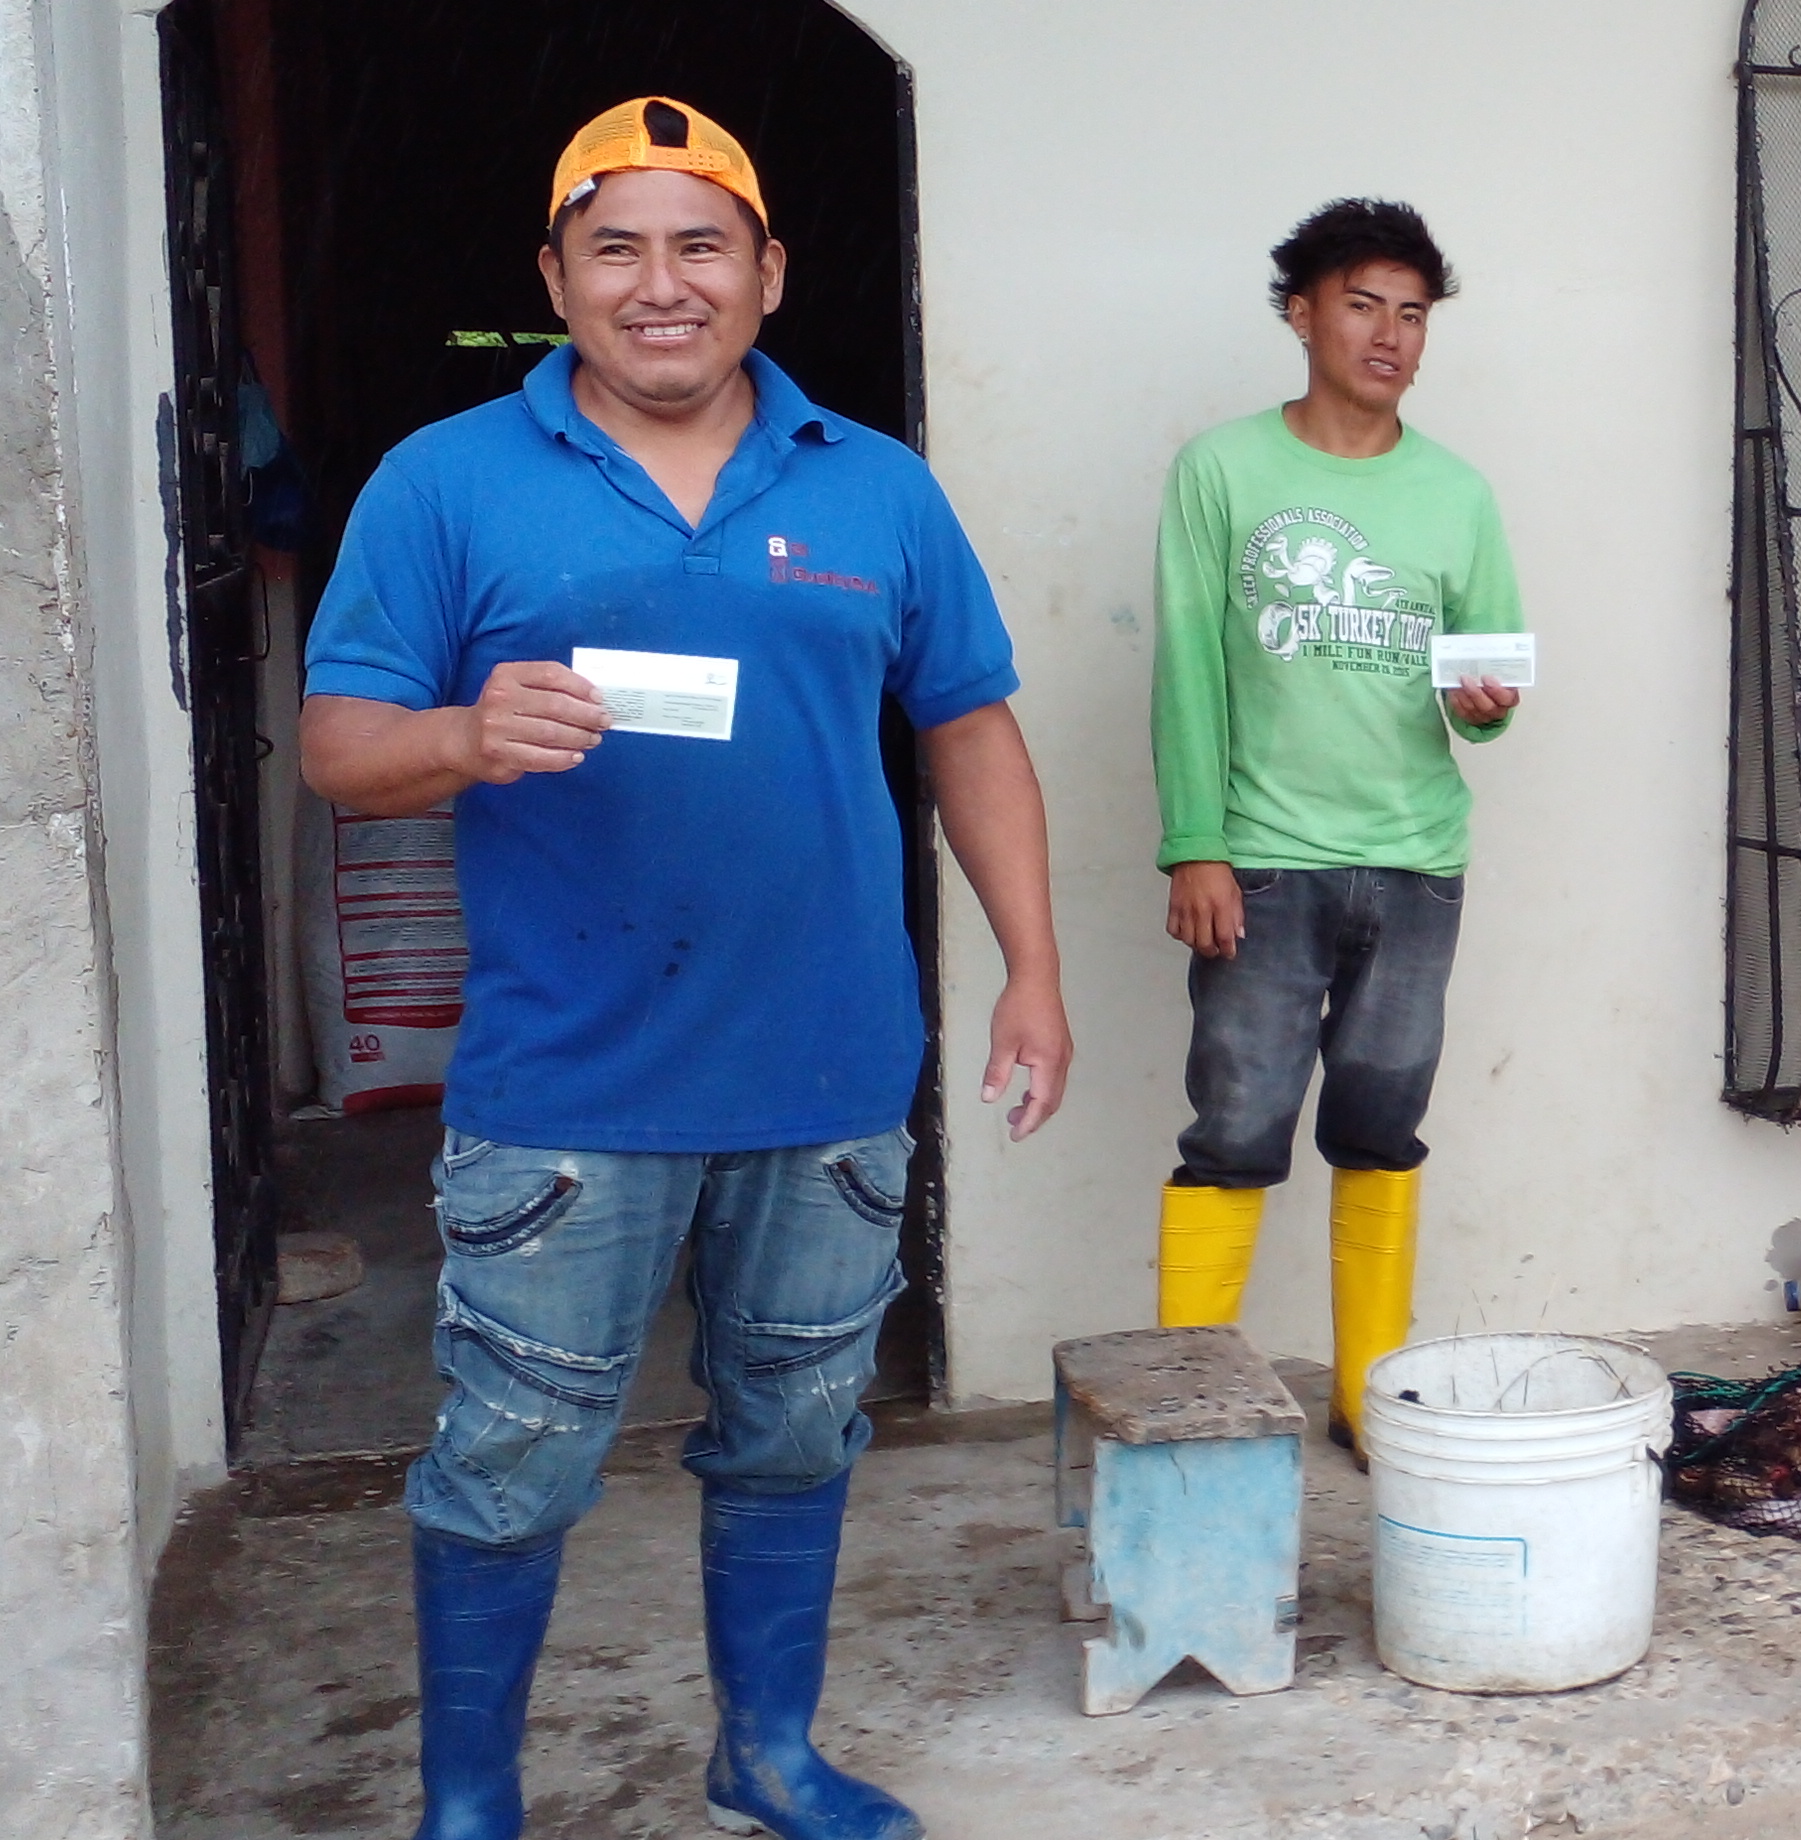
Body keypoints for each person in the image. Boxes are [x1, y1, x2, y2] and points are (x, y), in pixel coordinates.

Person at [299, 97, 1069, 1840]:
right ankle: (471, 1805)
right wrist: (458, 734)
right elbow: (339, 743)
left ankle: (766, 1754)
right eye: (619, 248)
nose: (663, 284)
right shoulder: (445, 482)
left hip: (827, 1070)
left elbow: (968, 727)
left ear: (768, 273)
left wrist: (1031, 969)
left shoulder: (875, 485)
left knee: (797, 1430)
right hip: (569, 1086)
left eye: (702, 244)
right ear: (555, 278)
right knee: (512, 1455)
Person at [1149, 199, 1523, 1445]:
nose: (1389, 335)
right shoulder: (1222, 469)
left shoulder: (1456, 494)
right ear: (1300, 314)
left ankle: (1370, 1402)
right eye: (1362, 305)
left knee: (1379, 1131)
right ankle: (1188, 1411)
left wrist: (1482, 709)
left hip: (1416, 864)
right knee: (1233, 1131)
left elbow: (1484, 681)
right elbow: (1187, 667)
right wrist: (1196, 843)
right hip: (1261, 862)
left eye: (1411, 314)